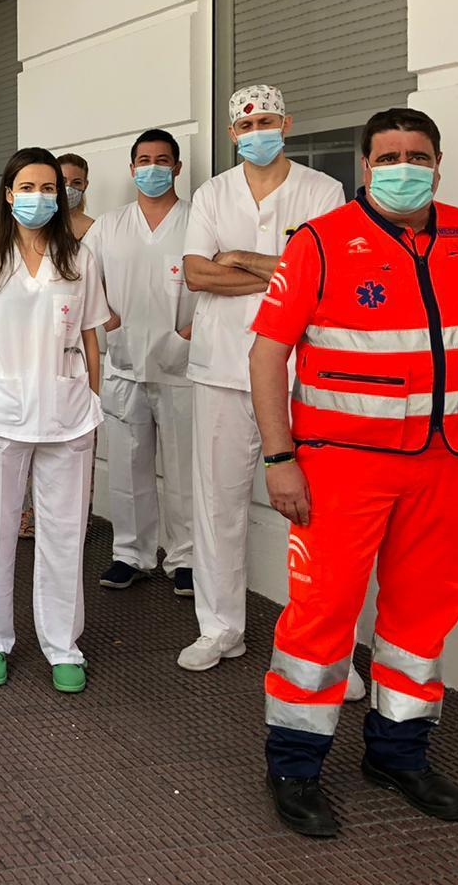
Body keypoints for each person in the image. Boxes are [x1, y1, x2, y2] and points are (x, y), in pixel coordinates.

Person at [250, 108, 458, 839]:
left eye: (419, 154)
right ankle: (295, 768)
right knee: (322, 619)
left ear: (439, 162)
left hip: (451, 468)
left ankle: (399, 753)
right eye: (390, 155)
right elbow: (268, 354)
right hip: (342, 471)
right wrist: (280, 458)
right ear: (365, 166)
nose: (406, 167)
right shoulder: (321, 242)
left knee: (423, 617)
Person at [177, 84, 347, 674]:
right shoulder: (211, 193)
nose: (257, 133)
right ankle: (220, 628)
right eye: (246, 126)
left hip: (302, 372)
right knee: (216, 502)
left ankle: (325, 651)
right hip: (222, 367)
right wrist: (282, 270)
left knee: (318, 514)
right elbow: (197, 275)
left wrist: (238, 258)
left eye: (268, 121)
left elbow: (325, 277)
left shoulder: (323, 191)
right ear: (231, 134)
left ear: (287, 123)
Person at [0, 148, 109, 693]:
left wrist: (90, 399)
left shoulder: (80, 259)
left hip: (66, 415)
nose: (39, 196)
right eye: (27, 187)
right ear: (9, 194)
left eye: (48, 188)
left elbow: (90, 336)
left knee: (65, 534)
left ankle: (63, 644)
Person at [82, 129, 196, 596]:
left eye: (162, 159)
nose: (153, 168)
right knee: (129, 464)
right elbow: (87, 283)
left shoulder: (197, 220)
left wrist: (186, 335)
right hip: (124, 362)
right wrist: (111, 327)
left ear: (178, 168)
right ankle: (131, 553)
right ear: (131, 169)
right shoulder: (108, 225)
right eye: (144, 160)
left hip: (185, 362)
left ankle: (186, 557)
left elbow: (211, 284)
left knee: (186, 467)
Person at [19, 152, 98, 539]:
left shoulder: (89, 239)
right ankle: (30, 513)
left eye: (73, 183)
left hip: (72, 362)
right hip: (23, 374)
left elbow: (93, 318)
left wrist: (93, 395)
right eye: (57, 182)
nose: (65, 190)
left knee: (69, 468)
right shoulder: (9, 246)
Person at [58, 153, 96, 239]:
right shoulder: (39, 224)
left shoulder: (95, 228)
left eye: (76, 183)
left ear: (85, 186)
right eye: (62, 181)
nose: (68, 188)